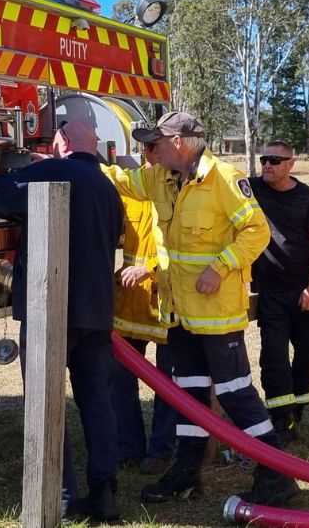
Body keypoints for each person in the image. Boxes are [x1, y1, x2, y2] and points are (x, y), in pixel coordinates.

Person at [101, 111, 300, 505]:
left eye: (154, 143)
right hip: (179, 313)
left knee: (233, 391)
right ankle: (187, 472)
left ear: (178, 142)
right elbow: (121, 180)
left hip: (216, 313)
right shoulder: (161, 176)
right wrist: (79, 161)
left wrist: (219, 266)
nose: (149, 151)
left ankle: (276, 473)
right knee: (187, 394)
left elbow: (256, 231)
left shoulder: (223, 179)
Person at [0, 119, 124, 521]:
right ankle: (104, 493)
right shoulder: (109, 188)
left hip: (51, 310)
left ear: (61, 141)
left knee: (45, 403)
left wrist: (28, 170)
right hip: (96, 313)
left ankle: (59, 496)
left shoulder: (54, 170)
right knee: (96, 401)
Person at [248, 140, 309, 442]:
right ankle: (281, 420)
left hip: (307, 288)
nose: (267, 165)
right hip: (271, 291)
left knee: (306, 355)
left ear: (291, 163)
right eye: (263, 159)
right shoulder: (252, 189)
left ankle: (298, 411)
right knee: (273, 357)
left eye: (274, 160)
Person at [109, 142, 177, 475]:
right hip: (129, 301)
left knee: (169, 381)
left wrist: (149, 268)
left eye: (155, 146)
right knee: (119, 376)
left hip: (166, 300)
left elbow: (184, 244)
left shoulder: (183, 187)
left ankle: (161, 450)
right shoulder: (131, 186)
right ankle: (128, 446)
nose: (149, 153)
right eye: (146, 147)